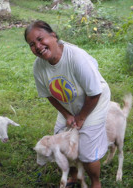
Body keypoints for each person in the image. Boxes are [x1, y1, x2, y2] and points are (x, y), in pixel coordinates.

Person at [25, 20, 111, 187]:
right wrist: (67, 114)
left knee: (86, 149)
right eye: (32, 44)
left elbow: (94, 93)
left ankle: (95, 182)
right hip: (70, 102)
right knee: (61, 137)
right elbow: (49, 95)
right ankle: (73, 176)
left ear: (53, 36)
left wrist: (81, 117)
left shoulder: (76, 57)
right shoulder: (39, 67)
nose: (37, 46)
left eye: (40, 39)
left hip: (95, 100)